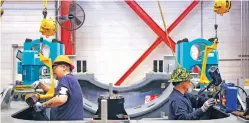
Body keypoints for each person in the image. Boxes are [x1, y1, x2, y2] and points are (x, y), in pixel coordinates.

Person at [32, 55, 84, 120]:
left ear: (64, 67)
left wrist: (43, 105)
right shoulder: (71, 79)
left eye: (54, 68)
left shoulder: (66, 78)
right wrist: (40, 84)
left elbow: (61, 99)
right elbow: (54, 92)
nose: (53, 71)